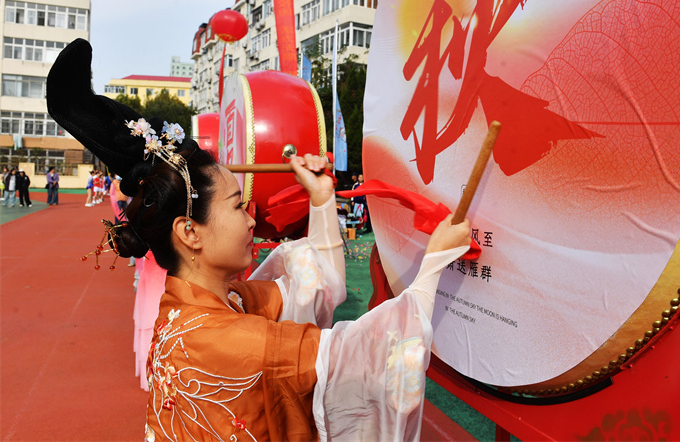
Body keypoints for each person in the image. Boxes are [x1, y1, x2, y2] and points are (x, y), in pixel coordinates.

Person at [48, 38, 471, 441]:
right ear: (189, 232)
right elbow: (369, 359)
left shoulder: (210, 307)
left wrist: (321, 202)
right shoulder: (220, 337)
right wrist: (431, 265)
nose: (252, 218)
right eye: (236, 205)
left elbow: (313, 287)